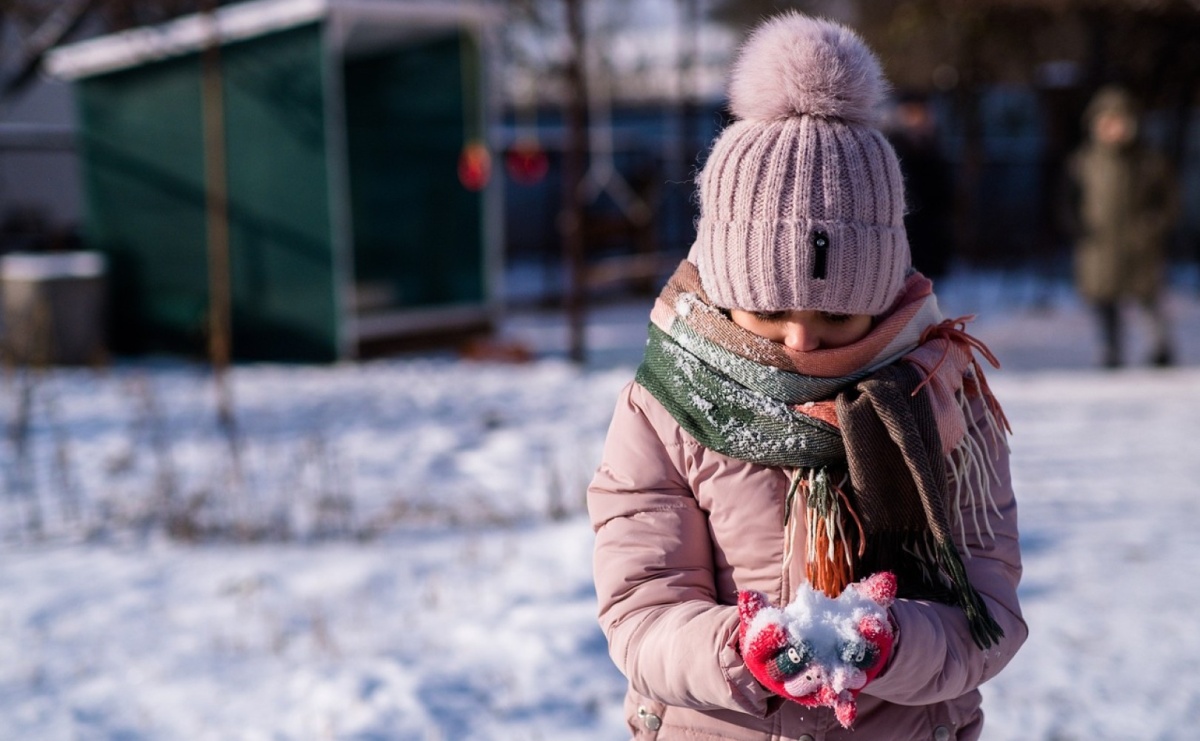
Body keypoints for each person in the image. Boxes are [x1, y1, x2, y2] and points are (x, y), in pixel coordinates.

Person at [587, 13, 1027, 740]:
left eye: (836, 316)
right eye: (767, 311)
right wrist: (737, 651)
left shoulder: (943, 395)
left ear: (882, 295)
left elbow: (988, 614)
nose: (799, 339)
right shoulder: (663, 407)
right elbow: (642, 606)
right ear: (724, 286)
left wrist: (893, 644)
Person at [1063, 85, 1180, 368]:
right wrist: (1079, 227)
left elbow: (1169, 200)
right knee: (1104, 301)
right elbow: (1067, 200)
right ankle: (1111, 351)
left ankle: (1161, 348)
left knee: (1148, 298)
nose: (1113, 129)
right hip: (1099, 245)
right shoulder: (1084, 161)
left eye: (1119, 122)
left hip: (1139, 243)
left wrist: (1153, 226)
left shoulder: (1149, 161)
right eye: (1106, 122)